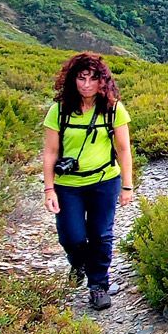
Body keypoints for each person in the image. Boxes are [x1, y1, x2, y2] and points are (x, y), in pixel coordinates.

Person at [41, 52, 134, 310]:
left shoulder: (113, 109)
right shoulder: (58, 111)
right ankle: (79, 262)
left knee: (101, 234)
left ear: (102, 82)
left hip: (104, 181)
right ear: (72, 80)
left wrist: (127, 185)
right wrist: (49, 188)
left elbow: (124, 149)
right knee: (71, 237)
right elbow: (50, 152)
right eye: (81, 78)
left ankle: (98, 285)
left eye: (92, 79)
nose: (86, 85)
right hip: (68, 184)